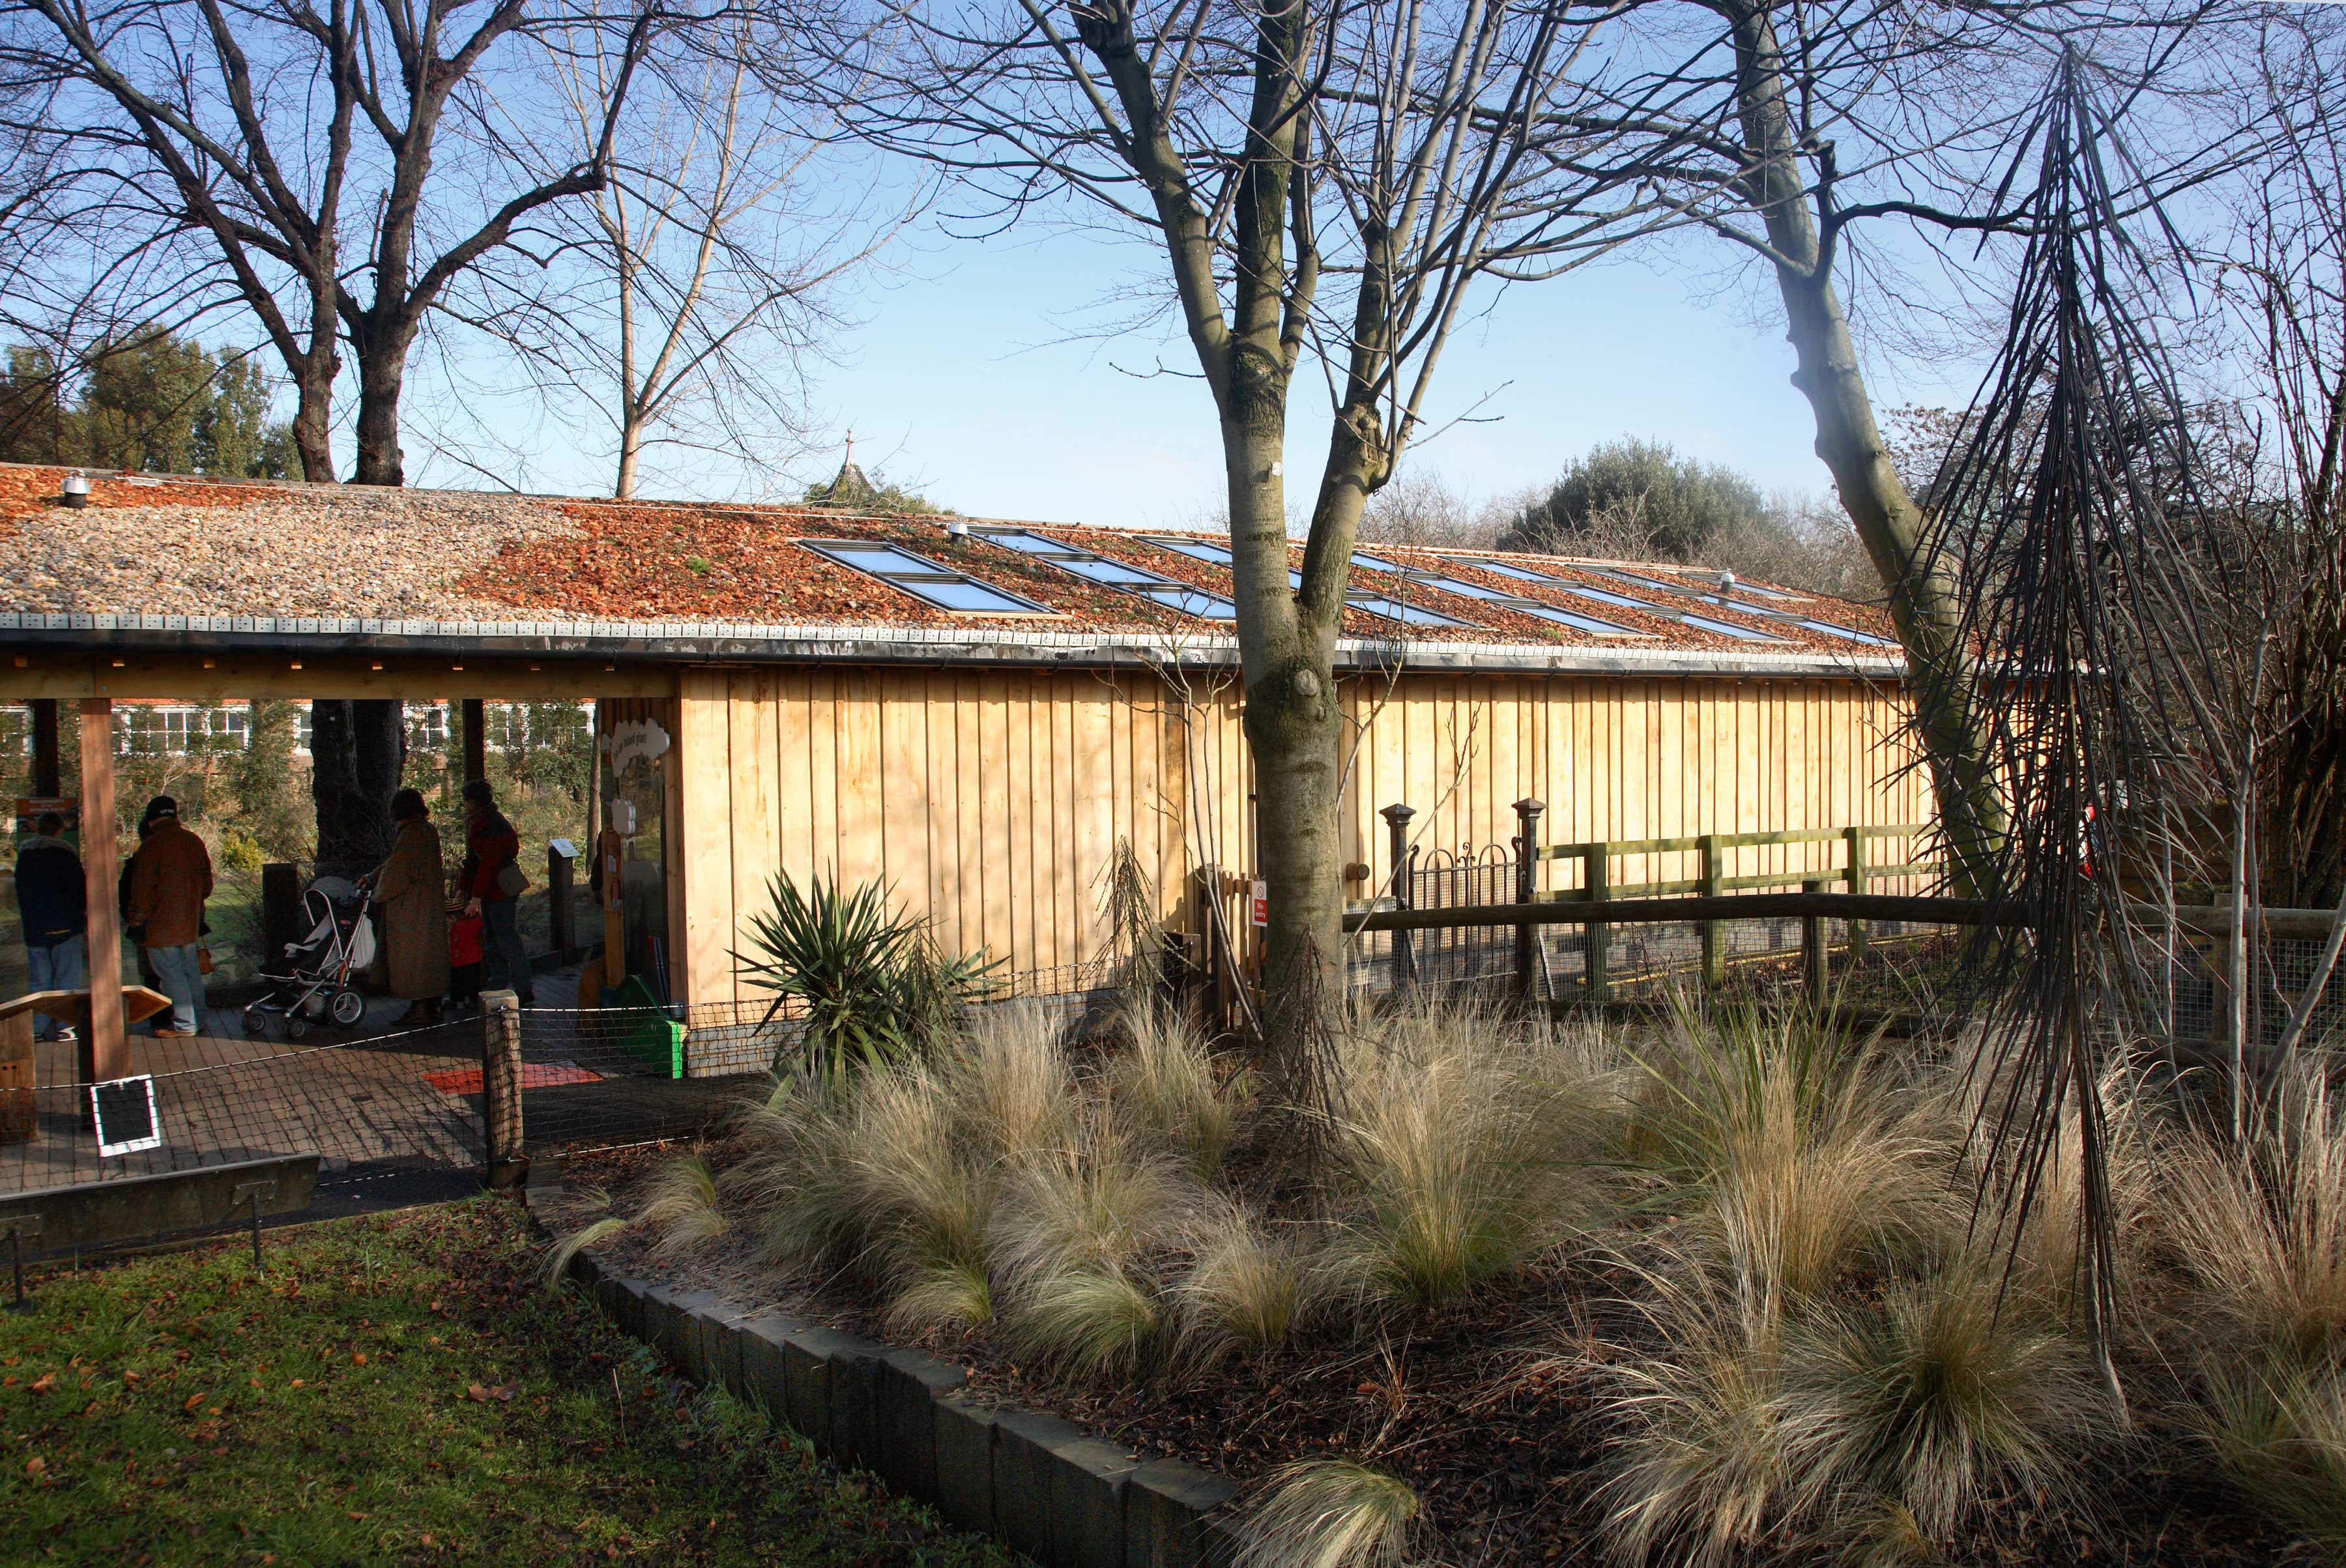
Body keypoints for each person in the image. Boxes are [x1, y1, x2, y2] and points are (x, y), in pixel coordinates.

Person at [123, 794, 212, 1037]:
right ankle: (199, 1019)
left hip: (160, 926)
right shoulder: (193, 841)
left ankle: (185, 1025)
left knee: (172, 976)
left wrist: (137, 920)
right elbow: (207, 886)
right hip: (190, 922)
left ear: (151, 820)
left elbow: (142, 890)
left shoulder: (151, 846)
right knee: (191, 973)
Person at [371, 788, 452, 1026]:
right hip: (429, 906)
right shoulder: (427, 830)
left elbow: (397, 871)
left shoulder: (410, 834)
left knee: (411, 960)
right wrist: (375, 875)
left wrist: (378, 892)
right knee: (430, 960)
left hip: (411, 910)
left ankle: (419, 1009)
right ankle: (432, 1006)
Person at [456, 779, 534, 1006]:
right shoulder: (486, 821)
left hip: (497, 890)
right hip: (493, 890)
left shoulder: (489, 824)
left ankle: (521, 988)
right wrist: (465, 887)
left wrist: (474, 895)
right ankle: (500, 986)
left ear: (474, 801)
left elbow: (488, 863)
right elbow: (475, 861)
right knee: (494, 940)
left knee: (505, 940)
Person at [15, 811, 85, 1042]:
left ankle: (38, 1024)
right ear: (59, 830)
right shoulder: (66, 856)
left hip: (35, 926)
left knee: (39, 979)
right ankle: (65, 1025)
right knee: (67, 977)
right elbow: (79, 890)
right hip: (66, 924)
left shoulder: (25, 856)